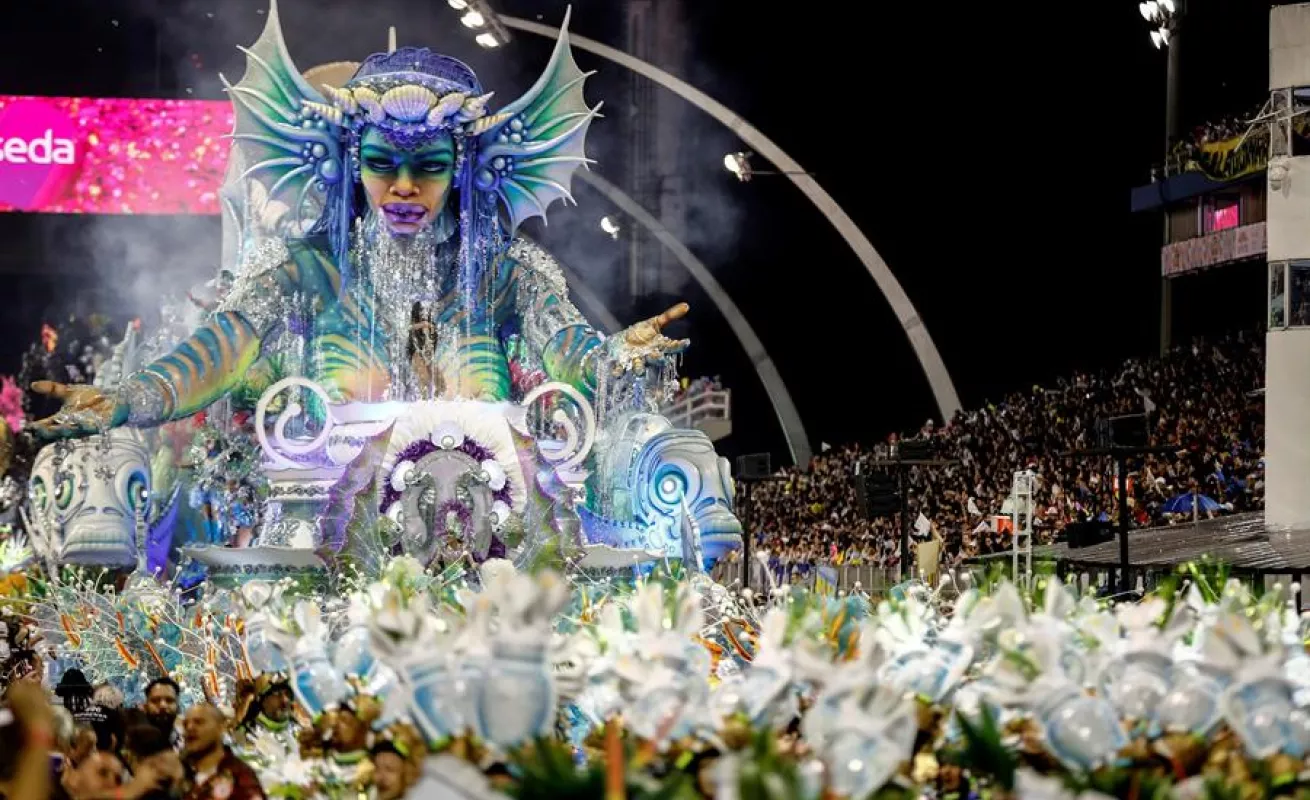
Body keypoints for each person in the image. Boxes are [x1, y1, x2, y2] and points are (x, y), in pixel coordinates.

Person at [26, 7, 689, 442]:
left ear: (460, 170)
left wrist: (610, 359)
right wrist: (125, 399)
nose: (403, 187)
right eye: (381, 164)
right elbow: (218, 351)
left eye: (428, 166)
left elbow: (571, 352)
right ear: (352, 166)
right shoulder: (309, 270)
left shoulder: (499, 275)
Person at [181, 704, 265, 800]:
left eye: (199, 722)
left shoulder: (240, 777)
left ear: (221, 728)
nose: (190, 728)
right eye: (185, 724)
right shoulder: (178, 775)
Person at [143, 677, 182, 749]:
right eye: (155, 700)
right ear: (145, 707)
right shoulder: (132, 747)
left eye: (169, 700)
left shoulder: (189, 744)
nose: (162, 706)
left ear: (178, 707)